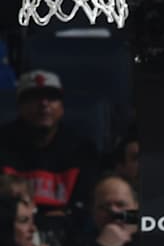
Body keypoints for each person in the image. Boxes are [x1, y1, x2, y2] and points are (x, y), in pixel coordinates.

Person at [0, 71, 98, 223]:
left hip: (68, 232)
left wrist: (69, 214)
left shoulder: (82, 149)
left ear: (62, 107)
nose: (44, 104)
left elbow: (89, 204)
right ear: (20, 106)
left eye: (52, 97)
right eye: (35, 98)